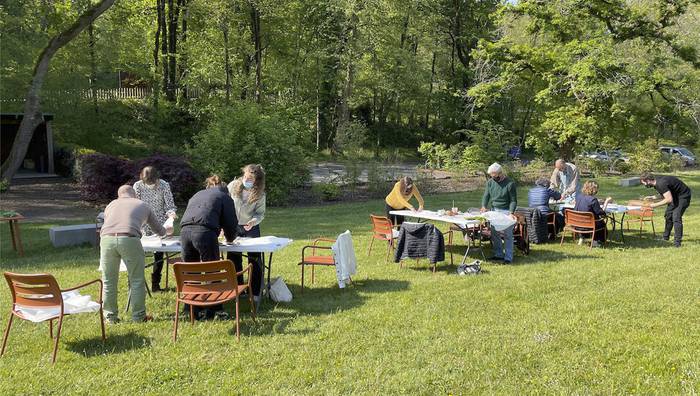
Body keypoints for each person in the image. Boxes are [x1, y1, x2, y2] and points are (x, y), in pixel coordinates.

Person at [100, 185, 173, 324]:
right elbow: (159, 230)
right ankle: (139, 316)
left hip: (106, 240)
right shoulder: (142, 204)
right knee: (136, 279)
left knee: (109, 280)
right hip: (129, 239)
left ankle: (110, 317)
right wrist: (167, 231)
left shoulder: (111, 205)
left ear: (119, 195)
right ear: (134, 195)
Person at [180, 175, 238, 319]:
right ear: (226, 191)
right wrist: (230, 239)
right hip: (205, 232)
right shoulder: (225, 197)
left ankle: (191, 308)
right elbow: (231, 223)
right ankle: (215, 309)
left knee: (191, 271)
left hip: (185, 232)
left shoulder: (198, 194)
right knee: (212, 271)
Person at [227, 164, 266, 305]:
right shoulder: (232, 186)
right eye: (245, 177)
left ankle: (255, 291)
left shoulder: (260, 194)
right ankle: (237, 289)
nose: (247, 180)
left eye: (251, 179)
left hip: (251, 227)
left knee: (254, 259)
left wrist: (253, 221)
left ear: (257, 180)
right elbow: (224, 203)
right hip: (233, 226)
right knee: (233, 258)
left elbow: (260, 213)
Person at [133, 166, 177, 292]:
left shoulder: (164, 185)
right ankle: (137, 284)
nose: (152, 184)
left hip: (160, 224)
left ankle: (155, 284)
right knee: (139, 252)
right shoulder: (137, 186)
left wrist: (171, 214)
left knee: (159, 254)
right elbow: (135, 205)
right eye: (149, 182)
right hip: (143, 224)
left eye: (153, 182)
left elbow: (170, 205)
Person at [640, 173, 692, 247]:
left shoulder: (660, 183)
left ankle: (677, 243)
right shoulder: (656, 183)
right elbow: (665, 193)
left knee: (676, 217)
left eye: (644, 183)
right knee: (668, 216)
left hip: (683, 196)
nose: (644, 185)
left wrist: (653, 205)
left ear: (648, 180)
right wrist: (652, 197)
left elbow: (668, 199)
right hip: (675, 196)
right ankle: (665, 237)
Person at [481, 163, 517, 264]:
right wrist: (484, 206)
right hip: (494, 210)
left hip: (506, 211)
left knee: (508, 235)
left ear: (500, 173)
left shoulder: (510, 184)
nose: (492, 177)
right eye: (491, 175)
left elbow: (513, 200)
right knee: (494, 233)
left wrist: (511, 212)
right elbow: (486, 195)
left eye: (494, 175)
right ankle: (498, 254)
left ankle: (508, 257)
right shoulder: (490, 182)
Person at [573, 180, 611, 247]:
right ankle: (595, 241)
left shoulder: (578, 197)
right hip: (589, 225)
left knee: (587, 220)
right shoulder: (593, 200)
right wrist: (606, 203)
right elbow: (600, 213)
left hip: (577, 224)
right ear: (594, 189)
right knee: (601, 223)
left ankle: (581, 238)